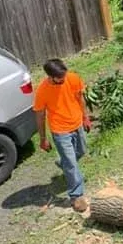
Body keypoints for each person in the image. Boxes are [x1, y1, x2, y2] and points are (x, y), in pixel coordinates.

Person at [33, 59, 92, 212]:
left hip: (77, 124)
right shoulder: (42, 90)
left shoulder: (73, 78)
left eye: (64, 76)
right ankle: (76, 196)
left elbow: (80, 99)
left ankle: (63, 163)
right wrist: (43, 138)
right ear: (50, 76)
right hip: (60, 131)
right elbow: (40, 115)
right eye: (60, 78)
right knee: (72, 164)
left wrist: (85, 117)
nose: (64, 80)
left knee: (81, 152)